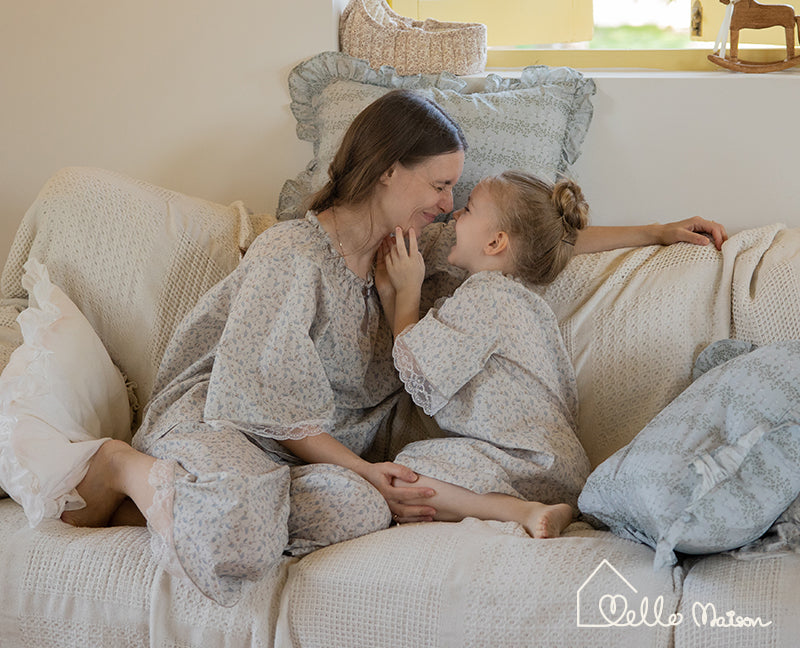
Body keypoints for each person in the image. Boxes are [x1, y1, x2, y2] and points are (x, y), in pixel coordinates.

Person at [60, 88, 727, 605]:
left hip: (310, 451)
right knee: (239, 529)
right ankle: (124, 467)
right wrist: (358, 465)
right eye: (439, 186)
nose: (447, 204)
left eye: (454, 194)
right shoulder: (292, 254)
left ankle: (185, 501)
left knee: (364, 505)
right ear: (386, 171)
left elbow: (526, 238)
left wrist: (657, 230)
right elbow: (260, 398)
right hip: (227, 420)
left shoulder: (411, 250)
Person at [376, 171, 592, 538]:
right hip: (564, 471)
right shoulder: (522, 302)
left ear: (495, 242)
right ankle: (543, 508)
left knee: (403, 470)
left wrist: (408, 290)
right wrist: (389, 291)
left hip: (524, 463)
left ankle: (520, 511)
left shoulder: (483, 297)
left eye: (469, 209)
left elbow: (418, 370)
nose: (456, 213)